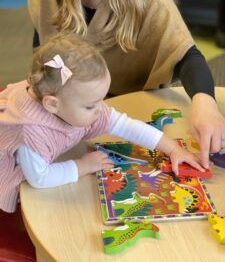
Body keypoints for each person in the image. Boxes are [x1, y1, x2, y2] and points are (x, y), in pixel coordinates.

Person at [27, 0, 225, 169]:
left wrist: (206, 103)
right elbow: (41, 47)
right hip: (66, 109)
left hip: (127, 110)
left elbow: (187, 55)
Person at [0, 33, 205, 213]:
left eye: (102, 98)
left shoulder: (71, 101)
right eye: (90, 106)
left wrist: (172, 149)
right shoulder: (29, 133)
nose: (101, 109)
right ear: (53, 105)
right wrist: (83, 166)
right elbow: (39, 178)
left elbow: (125, 125)